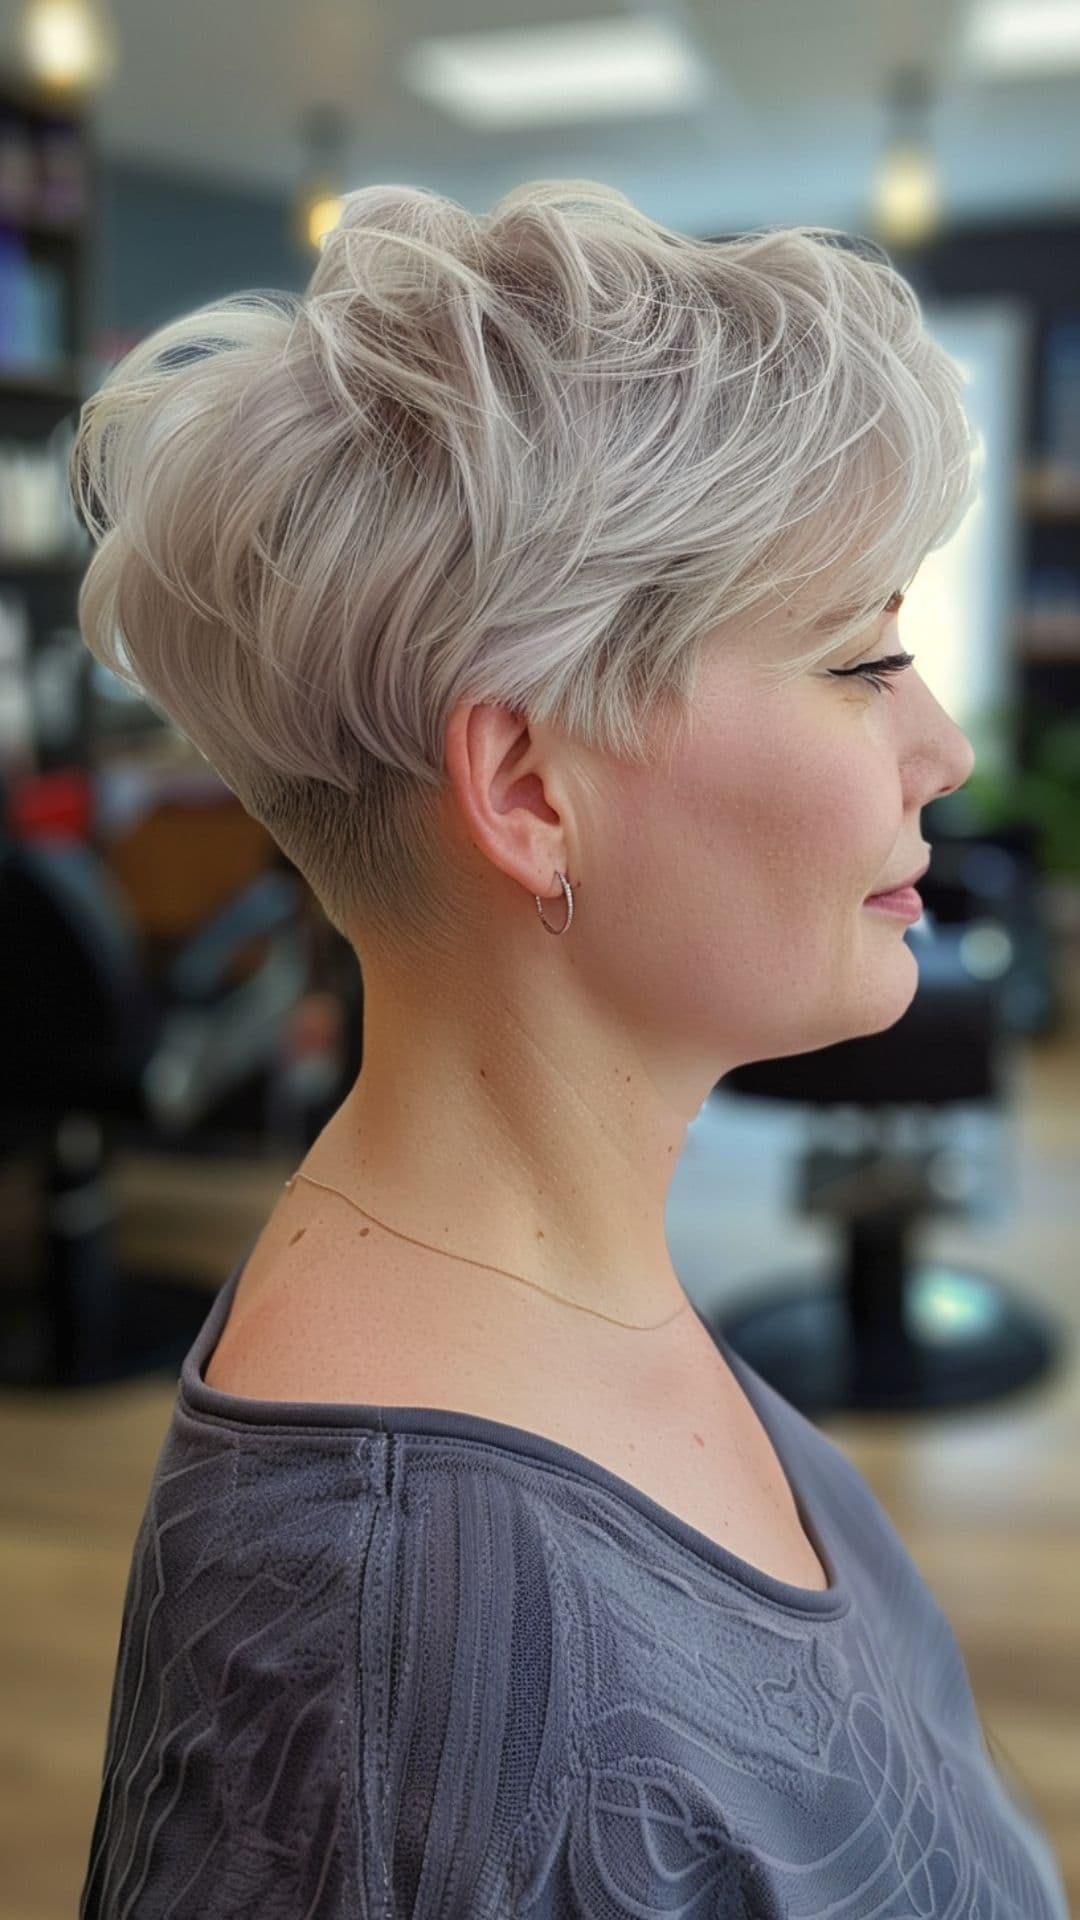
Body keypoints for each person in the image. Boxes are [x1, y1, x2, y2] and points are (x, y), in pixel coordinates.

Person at [71, 180, 1068, 1917]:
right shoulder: (394, 1706)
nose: (944, 743)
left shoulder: (543, 1283)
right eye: (861, 656)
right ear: (531, 790)